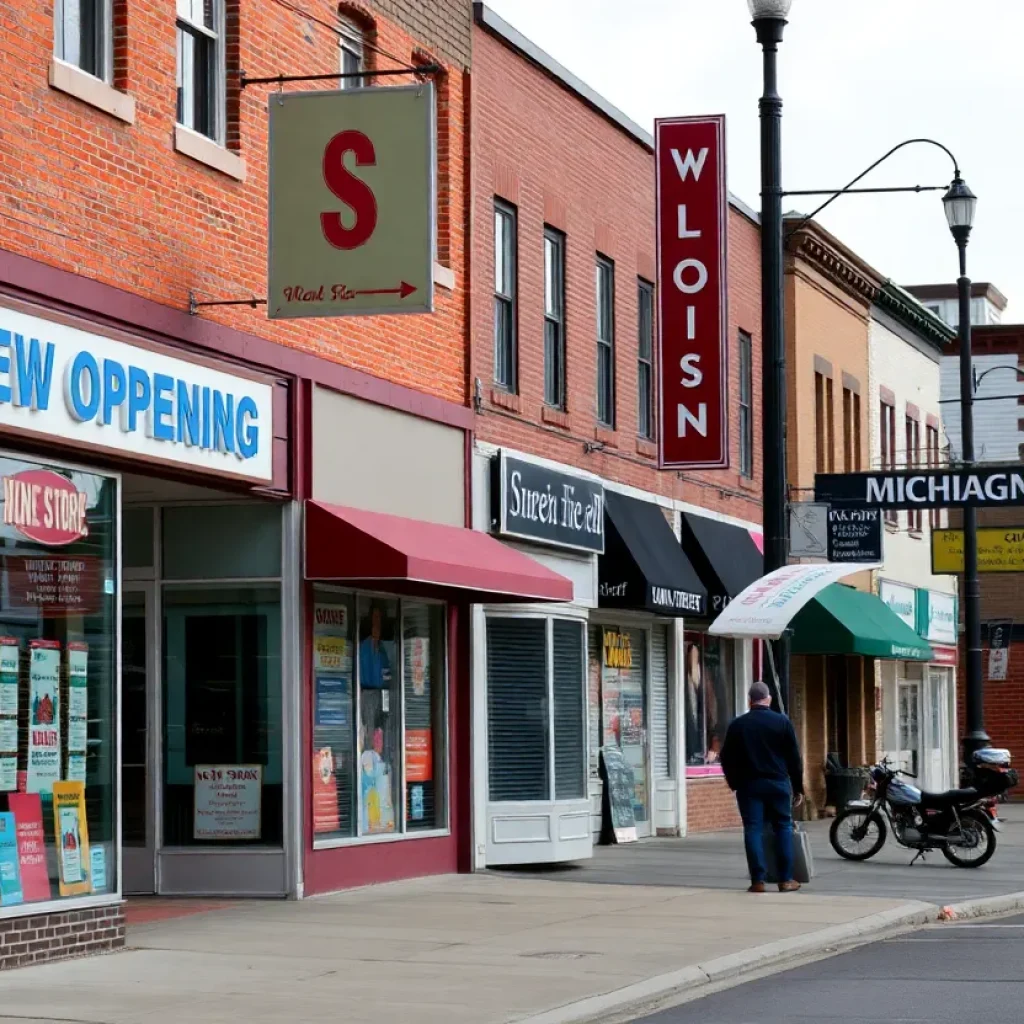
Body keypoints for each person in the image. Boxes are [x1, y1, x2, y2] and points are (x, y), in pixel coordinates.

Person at [720, 681, 805, 893]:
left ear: (750, 700)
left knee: (753, 829)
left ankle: (758, 880)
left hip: (749, 785)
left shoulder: (738, 725)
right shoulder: (782, 722)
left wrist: (734, 782)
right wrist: (798, 787)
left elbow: (726, 757)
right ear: (768, 699)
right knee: (783, 827)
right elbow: (794, 758)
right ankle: (785, 879)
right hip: (778, 783)